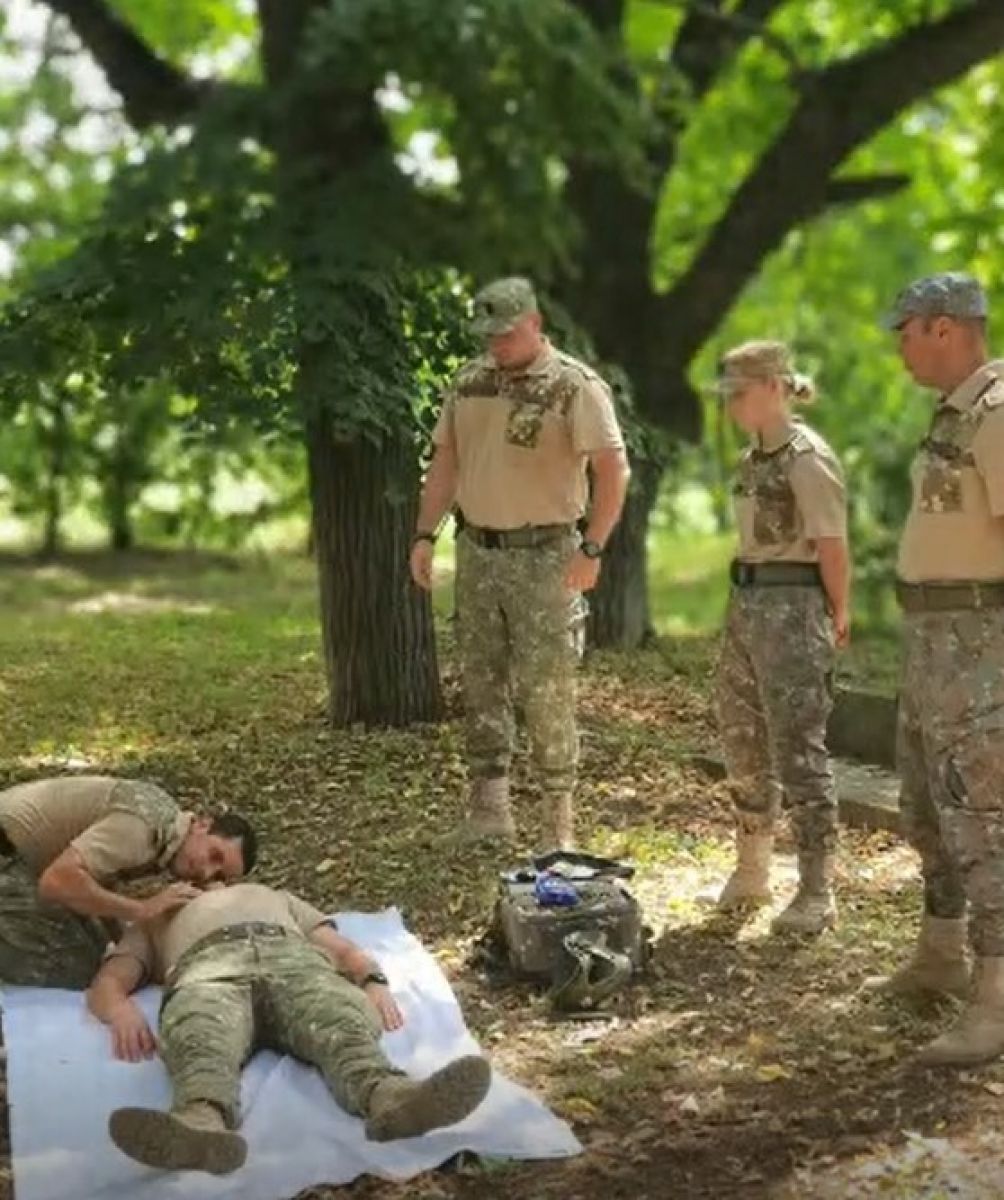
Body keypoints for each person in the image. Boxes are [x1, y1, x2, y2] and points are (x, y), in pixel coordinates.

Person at [409, 277, 630, 849]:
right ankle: (490, 810)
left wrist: (592, 546)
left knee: (547, 688)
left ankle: (558, 827)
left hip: (546, 557)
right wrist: (424, 534)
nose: (496, 345)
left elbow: (613, 469)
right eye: (488, 335)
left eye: (506, 334)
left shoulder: (573, 386)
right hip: (478, 552)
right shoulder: (469, 381)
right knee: (481, 680)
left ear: (534, 323)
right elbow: (445, 463)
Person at [88, 882, 492, 1175]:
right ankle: (199, 1125)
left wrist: (373, 980)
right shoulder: (155, 918)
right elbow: (109, 981)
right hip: (207, 972)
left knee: (338, 1019)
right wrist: (120, 1011)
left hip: (292, 960)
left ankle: (393, 1098)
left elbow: (341, 948)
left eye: (220, 865)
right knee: (200, 1035)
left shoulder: (275, 896)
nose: (207, 875)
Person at [880, 272, 1004, 1065]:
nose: (900, 347)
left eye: (908, 331)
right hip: (934, 641)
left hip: (980, 647)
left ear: (947, 328)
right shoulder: (955, 415)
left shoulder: (998, 413)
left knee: (983, 818)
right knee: (927, 802)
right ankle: (940, 953)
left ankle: (996, 999)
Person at [713, 340, 850, 934]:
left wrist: (838, 611)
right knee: (742, 736)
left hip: (793, 609)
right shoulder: (752, 461)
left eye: (740, 394)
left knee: (798, 747)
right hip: (748, 607)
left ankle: (817, 888)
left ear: (774, 387)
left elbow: (833, 545)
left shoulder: (807, 459)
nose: (731, 406)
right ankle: (752, 868)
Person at [0, 774, 256, 988]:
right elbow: (56, 882)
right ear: (202, 824)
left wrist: (128, 943)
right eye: (214, 855)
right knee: (73, 969)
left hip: (26, 862)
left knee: (99, 951)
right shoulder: (141, 830)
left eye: (218, 876)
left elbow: (93, 880)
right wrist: (142, 909)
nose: (206, 873)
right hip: (9, 855)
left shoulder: (165, 829)